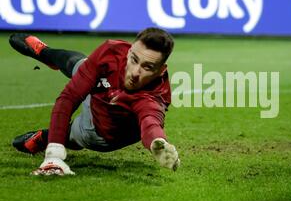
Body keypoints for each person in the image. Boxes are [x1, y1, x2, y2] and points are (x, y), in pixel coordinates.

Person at [9, 28, 180, 176]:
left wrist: (158, 143)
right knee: (80, 65)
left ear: (160, 71)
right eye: (134, 60)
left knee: (75, 134)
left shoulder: (154, 97)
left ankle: (44, 137)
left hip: (100, 131)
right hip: (100, 92)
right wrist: (54, 154)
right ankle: (45, 52)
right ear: (129, 50)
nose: (135, 73)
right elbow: (69, 97)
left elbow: (150, 123)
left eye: (147, 67)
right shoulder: (112, 52)